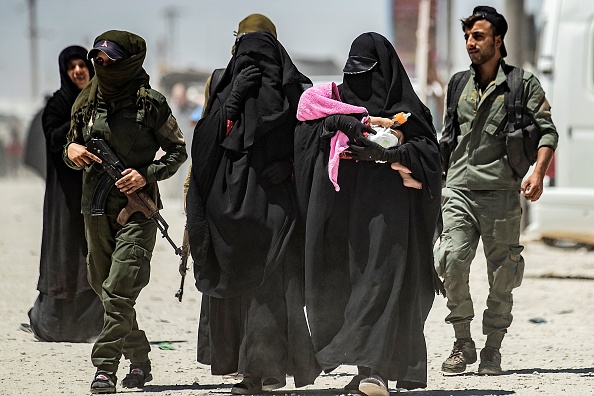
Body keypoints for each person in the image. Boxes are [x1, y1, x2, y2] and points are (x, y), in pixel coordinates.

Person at [293, 32, 443, 395]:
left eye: (368, 74)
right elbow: (304, 136)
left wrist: (390, 154)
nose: (359, 84)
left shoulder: (406, 107)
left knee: (380, 283)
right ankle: (364, 372)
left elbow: (430, 154)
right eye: (353, 73)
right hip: (341, 211)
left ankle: (376, 371)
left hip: (389, 215)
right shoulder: (335, 102)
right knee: (350, 284)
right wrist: (338, 124)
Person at [186, 14, 319, 394]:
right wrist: (230, 102)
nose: (254, 61)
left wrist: (289, 165)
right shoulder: (223, 85)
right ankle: (252, 365)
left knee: (272, 286)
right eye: (247, 50)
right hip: (227, 206)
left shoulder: (295, 90)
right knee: (240, 285)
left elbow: (309, 141)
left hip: (276, 205)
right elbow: (204, 145)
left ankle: (261, 372)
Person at [434, 6, 558, 376]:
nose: (471, 43)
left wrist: (538, 171)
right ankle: (462, 341)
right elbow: (448, 136)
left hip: (502, 192)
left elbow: (547, 131)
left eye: (479, 36)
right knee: (451, 260)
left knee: (503, 273)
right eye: (468, 37)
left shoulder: (522, 84)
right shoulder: (458, 84)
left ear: (498, 40)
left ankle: (492, 347)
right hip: (457, 188)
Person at [64, 30, 187, 393]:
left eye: (109, 61)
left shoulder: (151, 104)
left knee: (118, 291)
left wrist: (145, 174)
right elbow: (70, 146)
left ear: (129, 62)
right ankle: (140, 359)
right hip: (96, 209)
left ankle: (105, 368)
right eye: (97, 60)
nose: (101, 66)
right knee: (103, 289)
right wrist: (72, 151)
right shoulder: (86, 103)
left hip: (137, 211)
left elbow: (178, 151)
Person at [23, 45, 104, 342]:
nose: (78, 71)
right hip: (65, 198)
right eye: (71, 67)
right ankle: (52, 324)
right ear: (65, 72)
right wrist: (76, 132)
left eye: (81, 65)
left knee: (95, 256)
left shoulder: (103, 100)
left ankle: (93, 325)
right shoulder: (58, 104)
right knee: (64, 254)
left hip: (97, 194)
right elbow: (53, 136)